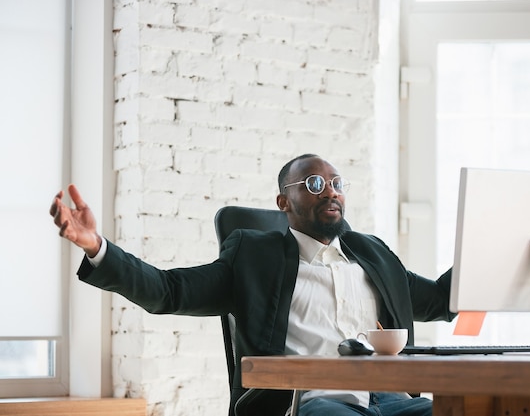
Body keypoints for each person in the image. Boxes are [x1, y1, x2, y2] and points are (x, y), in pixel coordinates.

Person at [50, 153, 456, 416]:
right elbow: (168, 290)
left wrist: (493, 256)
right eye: (314, 184)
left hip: (394, 400)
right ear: (284, 204)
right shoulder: (254, 258)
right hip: (320, 402)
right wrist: (97, 247)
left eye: (335, 183)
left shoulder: (373, 253)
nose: (329, 190)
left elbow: (439, 299)